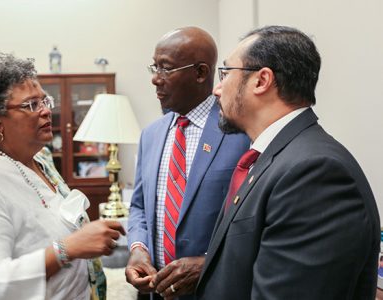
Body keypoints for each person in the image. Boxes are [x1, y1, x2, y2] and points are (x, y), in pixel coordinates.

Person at [196, 25, 380, 299]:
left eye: (225, 73)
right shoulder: (274, 157)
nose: (217, 89)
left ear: (261, 80)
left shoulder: (314, 173)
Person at [0, 53, 125, 300]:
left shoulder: (39, 159)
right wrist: (67, 249)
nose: (46, 111)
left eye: (45, 101)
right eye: (31, 105)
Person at [126, 27, 250, 299]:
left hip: (215, 290)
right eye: (154, 68)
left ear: (201, 73)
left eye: (166, 69)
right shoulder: (151, 135)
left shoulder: (242, 133)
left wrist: (209, 264)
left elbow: (253, 222)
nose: (155, 80)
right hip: (155, 291)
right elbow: (138, 207)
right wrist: (138, 248)